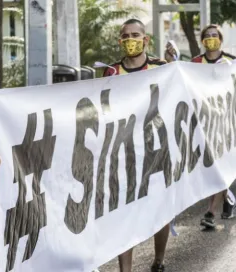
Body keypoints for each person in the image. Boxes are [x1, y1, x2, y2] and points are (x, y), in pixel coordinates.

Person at [102, 19, 170, 272]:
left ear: (145, 39)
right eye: (125, 36)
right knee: (123, 212)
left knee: (160, 209)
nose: (130, 40)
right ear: (120, 40)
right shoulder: (111, 72)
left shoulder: (160, 68)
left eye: (135, 35)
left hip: (155, 149)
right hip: (123, 152)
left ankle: (159, 260)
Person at [165, 24, 236, 229]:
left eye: (215, 35)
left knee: (222, 163)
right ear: (203, 40)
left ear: (221, 40)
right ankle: (227, 199)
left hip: (227, 123)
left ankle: (211, 212)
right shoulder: (195, 63)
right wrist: (171, 61)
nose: (211, 39)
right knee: (210, 164)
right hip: (204, 122)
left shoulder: (231, 62)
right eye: (207, 36)